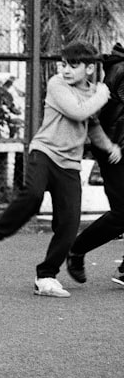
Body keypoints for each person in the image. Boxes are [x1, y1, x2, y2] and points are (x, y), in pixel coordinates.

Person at [0, 41, 121, 298]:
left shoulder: (93, 92)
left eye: (74, 65)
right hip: (45, 153)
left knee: (69, 225)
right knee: (33, 194)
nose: (66, 70)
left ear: (90, 69)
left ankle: (46, 276)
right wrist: (103, 95)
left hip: (70, 164)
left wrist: (109, 146)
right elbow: (77, 111)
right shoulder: (57, 84)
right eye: (64, 64)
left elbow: (92, 125)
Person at [64, 42, 124, 287]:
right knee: (122, 213)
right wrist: (110, 146)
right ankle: (76, 250)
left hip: (116, 144)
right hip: (116, 147)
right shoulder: (121, 70)